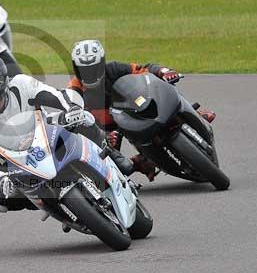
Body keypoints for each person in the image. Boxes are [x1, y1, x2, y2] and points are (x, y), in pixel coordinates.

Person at [0, 56, 135, 213]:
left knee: (82, 120)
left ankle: (112, 155)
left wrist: (71, 110)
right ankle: (57, 209)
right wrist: (3, 177)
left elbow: (55, 96)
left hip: (48, 133)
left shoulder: (21, 84)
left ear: (1, 83)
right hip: (18, 162)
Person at [67, 39, 215, 180]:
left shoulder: (114, 68)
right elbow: (70, 113)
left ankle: (195, 114)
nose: (90, 74)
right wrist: (102, 134)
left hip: (131, 111)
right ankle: (142, 162)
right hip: (108, 128)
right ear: (76, 68)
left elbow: (143, 69)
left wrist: (163, 71)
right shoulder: (74, 89)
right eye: (84, 70)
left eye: (93, 68)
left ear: (102, 64)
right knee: (116, 168)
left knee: (164, 86)